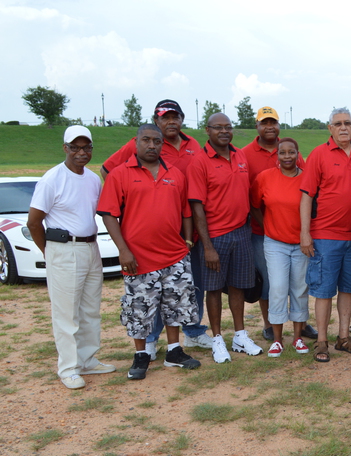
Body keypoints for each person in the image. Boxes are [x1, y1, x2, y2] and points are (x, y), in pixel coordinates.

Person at [102, 99, 212, 356]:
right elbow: (107, 173)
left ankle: (187, 337)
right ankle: (149, 342)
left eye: (175, 117)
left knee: (182, 293)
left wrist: (188, 238)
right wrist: (132, 200)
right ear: (156, 121)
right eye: (165, 117)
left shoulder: (192, 146)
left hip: (179, 238)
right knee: (146, 298)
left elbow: (188, 201)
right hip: (143, 241)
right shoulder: (132, 156)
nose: (171, 121)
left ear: (181, 119)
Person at [27, 126, 116, 389]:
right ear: (65, 148)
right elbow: (34, 222)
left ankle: (87, 360)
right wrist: (49, 252)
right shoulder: (52, 179)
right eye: (75, 147)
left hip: (90, 247)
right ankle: (68, 368)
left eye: (86, 147)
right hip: (63, 248)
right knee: (66, 313)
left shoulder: (92, 179)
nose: (81, 152)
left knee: (90, 309)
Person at [187, 113, 263, 362]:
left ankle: (240, 335)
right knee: (214, 288)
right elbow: (197, 207)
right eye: (218, 127)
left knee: (238, 285)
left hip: (241, 231)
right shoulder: (199, 161)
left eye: (228, 127)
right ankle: (218, 339)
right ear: (207, 130)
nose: (224, 131)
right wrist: (207, 246)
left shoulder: (240, 155)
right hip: (215, 235)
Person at [300, 108, 351, 361]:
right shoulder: (319, 154)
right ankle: (321, 341)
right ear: (330, 128)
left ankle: (343, 337)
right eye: (338, 124)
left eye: (347, 123)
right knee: (324, 291)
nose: (343, 127)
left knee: (348, 289)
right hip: (325, 236)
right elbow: (306, 196)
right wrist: (305, 233)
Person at [242, 105, 314, 344]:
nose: (269, 126)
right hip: (268, 236)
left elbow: (309, 200)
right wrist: (267, 226)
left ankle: (300, 329)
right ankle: (272, 330)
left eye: (273, 122)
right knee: (274, 285)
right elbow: (253, 202)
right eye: (264, 123)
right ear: (257, 126)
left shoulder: (302, 172)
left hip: (298, 238)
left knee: (299, 286)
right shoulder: (247, 155)